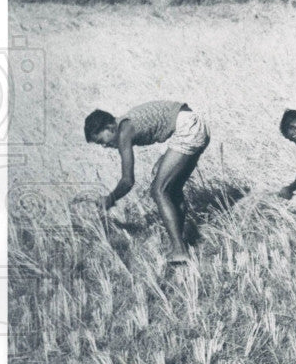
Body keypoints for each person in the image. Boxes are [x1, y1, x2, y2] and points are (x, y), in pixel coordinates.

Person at [84, 101, 210, 264]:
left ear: (110, 127)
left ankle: (179, 251)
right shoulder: (125, 124)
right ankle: (183, 240)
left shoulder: (124, 131)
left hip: (188, 127)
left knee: (159, 191)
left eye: (102, 141)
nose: (105, 146)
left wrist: (110, 198)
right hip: (194, 124)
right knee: (172, 189)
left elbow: (127, 180)